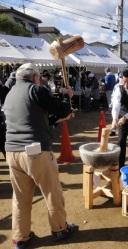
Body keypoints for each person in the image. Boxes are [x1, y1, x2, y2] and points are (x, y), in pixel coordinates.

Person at [3, 63, 78, 249]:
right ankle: (60, 229)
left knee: (20, 197)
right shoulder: (36, 90)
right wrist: (67, 97)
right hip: (35, 151)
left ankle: (20, 237)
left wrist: (61, 114)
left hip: (12, 152)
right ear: (35, 76)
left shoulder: (10, 93)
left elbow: (38, 118)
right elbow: (63, 110)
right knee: (52, 191)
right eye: (39, 77)